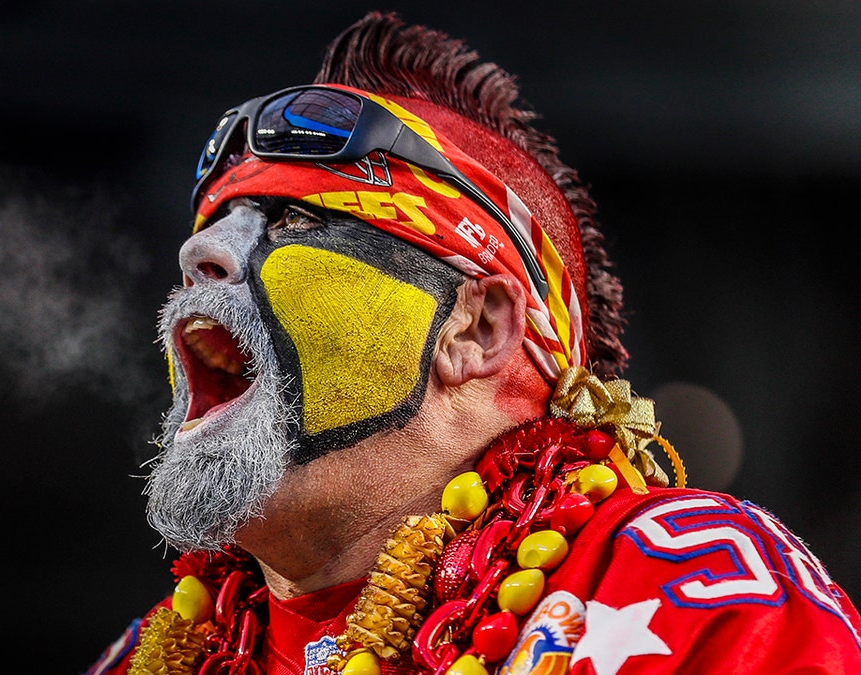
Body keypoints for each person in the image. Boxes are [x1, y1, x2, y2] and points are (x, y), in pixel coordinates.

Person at [86, 11, 861, 675]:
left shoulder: (682, 594)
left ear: (476, 327)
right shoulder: (147, 653)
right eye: (213, 227)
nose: (199, 257)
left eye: (294, 221)